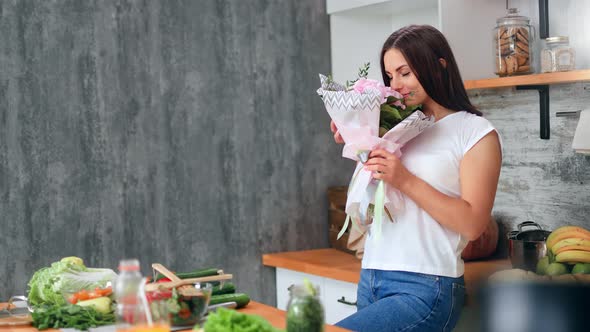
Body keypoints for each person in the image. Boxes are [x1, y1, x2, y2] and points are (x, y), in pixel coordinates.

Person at [330, 25, 502, 331]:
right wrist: (357, 134)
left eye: (405, 72)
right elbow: (375, 201)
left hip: (426, 287)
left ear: (439, 65)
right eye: (390, 75)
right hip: (371, 277)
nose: (396, 84)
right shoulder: (398, 126)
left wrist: (404, 179)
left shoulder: (474, 132)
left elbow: (474, 224)